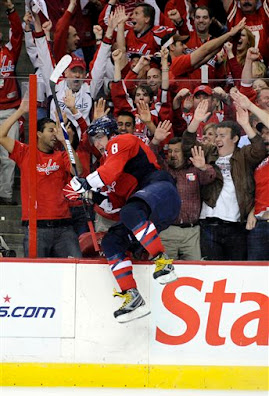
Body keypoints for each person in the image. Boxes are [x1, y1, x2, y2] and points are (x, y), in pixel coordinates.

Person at [70, 116, 181, 322]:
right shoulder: (105, 165)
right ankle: (132, 295)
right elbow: (114, 207)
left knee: (131, 212)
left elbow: (108, 174)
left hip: (162, 192)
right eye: (94, 141)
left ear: (112, 134)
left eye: (100, 137)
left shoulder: (122, 141)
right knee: (112, 241)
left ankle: (163, 262)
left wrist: (86, 182)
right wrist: (92, 196)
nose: (98, 144)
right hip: (146, 211)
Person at [184, 100, 267, 260]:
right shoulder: (209, 152)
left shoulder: (243, 155)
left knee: (236, 274)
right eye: (216, 136)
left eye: (222, 136)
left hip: (236, 225)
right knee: (211, 273)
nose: (217, 139)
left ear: (235, 139)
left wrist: (246, 125)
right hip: (208, 224)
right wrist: (195, 121)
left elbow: (259, 149)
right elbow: (188, 146)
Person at [0, 100, 82, 258]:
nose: (54, 134)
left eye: (56, 130)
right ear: (38, 133)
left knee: (76, 273)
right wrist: (19, 111)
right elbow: (1, 136)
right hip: (36, 229)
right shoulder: (25, 152)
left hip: (64, 227)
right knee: (35, 277)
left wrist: (65, 141)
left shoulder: (62, 155)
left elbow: (77, 170)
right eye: (51, 130)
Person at [149, 125, 216, 260]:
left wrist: (203, 167)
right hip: (167, 231)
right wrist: (156, 140)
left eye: (176, 151)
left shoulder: (195, 168)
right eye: (170, 151)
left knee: (195, 272)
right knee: (165, 272)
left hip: (191, 233)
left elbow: (210, 177)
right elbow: (150, 153)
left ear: (185, 153)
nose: (172, 155)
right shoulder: (163, 168)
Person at [0, 0, 23, 205]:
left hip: (10, 111)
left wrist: (11, 9)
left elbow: (17, 32)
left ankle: (5, 195)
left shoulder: (9, 52)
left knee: (8, 157)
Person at [246, 122, 269, 260]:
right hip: (259, 225)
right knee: (253, 275)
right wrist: (252, 212)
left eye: (268, 133)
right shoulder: (261, 163)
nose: (264, 137)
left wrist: (249, 106)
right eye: (263, 133)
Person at [222, 0, 269, 65]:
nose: (246, 1)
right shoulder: (234, 13)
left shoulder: (264, 13)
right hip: (238, 67)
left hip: (263, 67)